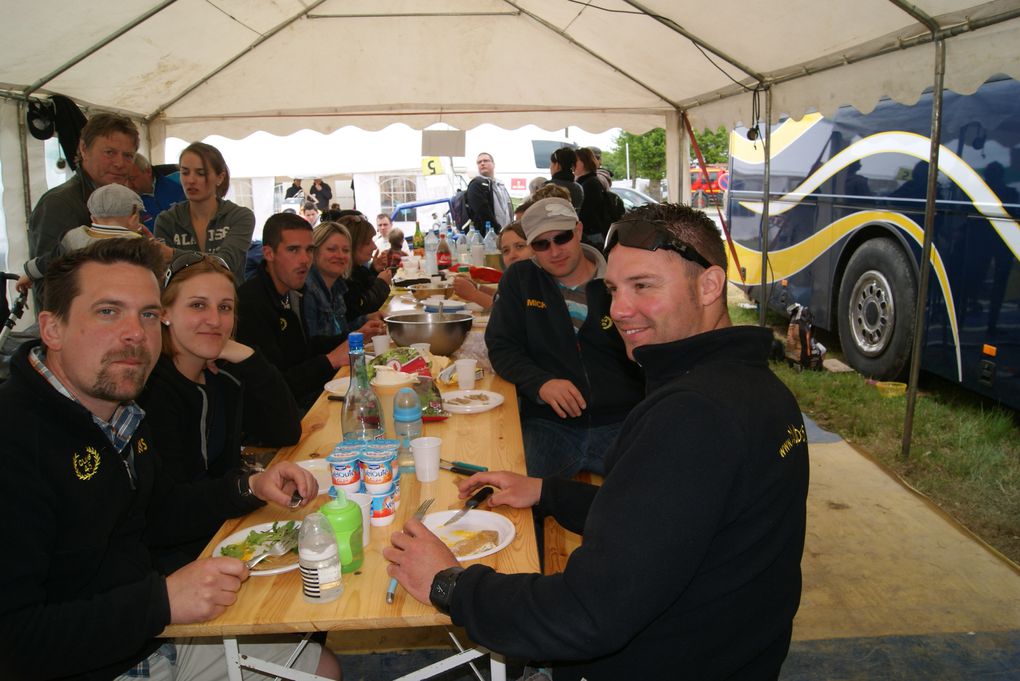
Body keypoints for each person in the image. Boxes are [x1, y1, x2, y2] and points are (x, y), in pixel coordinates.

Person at [385, 203, 810, 681]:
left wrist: (450, 584)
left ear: (710, 286)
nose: (619, 310)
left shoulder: (692, 415)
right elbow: (666, 519)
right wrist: (548, 492)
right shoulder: (762, 390)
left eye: (643, 286)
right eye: (612, 290)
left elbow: (586, 615)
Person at [0, 237, 340, 680]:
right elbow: (13, 641)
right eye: (107, 311)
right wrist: (161, 602)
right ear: (52, 329)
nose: (134, 333)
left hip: (143, 633)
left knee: (319, 665)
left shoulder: (123, 416)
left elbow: (159, 515)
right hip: (90, 661)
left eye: (146, 314)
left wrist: (248, 487)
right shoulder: (15, 441)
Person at [139, 252, 302, 570]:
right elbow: (166, 515)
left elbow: (285, 430)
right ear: (165, 313)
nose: (214, 320)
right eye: (198, 305)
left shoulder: (222, 377)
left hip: (223, 532)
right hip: (178, 562)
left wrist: (248, 356)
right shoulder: (149, 392)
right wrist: (248, 487)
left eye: (225, 308)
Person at [484, 197, 643, 478]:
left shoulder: (621, 279)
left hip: (622, 422)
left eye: (562, 238)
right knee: (513, 498)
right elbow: (501, 346)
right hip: (548, 424)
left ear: (578, 230)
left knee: (654, 500)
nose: (554, 251)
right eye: (541, 244)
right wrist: (540, 382)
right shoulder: (520, 280)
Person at [237, 213, 355, 410]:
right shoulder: (250, 303)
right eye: (293, 250)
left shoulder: (292, 292)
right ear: (269, 253)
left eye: (309, 250)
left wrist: (353, 338)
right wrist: (330, 361)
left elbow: (303, 350)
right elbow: (274, 388)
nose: (304, 260)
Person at [19, 183, 171, 302]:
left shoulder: (73, 238)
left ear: (92, 218)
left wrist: (29, 273)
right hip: (127, 302)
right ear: (133, 217)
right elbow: (160, 275)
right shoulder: (139, 245)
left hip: (83, 301)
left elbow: (48, 261)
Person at [28, 112, 139, 259]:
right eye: (109, 152)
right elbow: (47, 277)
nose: (119, 163)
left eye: (128, 156)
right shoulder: (58, 204)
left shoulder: (124, 200)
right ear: (84, 149)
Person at [154, 142, 255, 284]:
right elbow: (165, 275)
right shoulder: (166, 220)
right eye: (185, 172)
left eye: (201, 173)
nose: (191, 180)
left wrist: (173, 255)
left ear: (220, 177)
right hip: (183, 302)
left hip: (229, 302)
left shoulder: (240, 217)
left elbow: (225, 263)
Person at [302, 220, 386, 342]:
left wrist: (366, 320)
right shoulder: (307, 291)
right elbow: (316, 347)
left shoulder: (337, 286)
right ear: (314, 252)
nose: (340, 255)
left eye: (346, 250)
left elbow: (340, 330)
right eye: (332, 249)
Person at [452, 221, 532, 310]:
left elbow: (510, 313)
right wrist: (478, 287)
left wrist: (473, 294)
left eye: (520, 246)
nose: (512, 255)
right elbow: (504, 297)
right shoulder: (516, 278)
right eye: (506, 251)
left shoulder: (537, 280)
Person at [341, 213, 393, 320]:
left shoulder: (358, 270)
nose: (374, 247)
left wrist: (374, 270)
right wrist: (381, 284)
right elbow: (362, 308)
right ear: (353, 245)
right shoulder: (343, 278)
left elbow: (364, 289)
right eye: (368, 242)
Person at [128, 152, 186, 232]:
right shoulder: (129, 202)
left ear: (148, 171)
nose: (128, 184)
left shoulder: (178, 181)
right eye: (125, 179)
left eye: (132, 179)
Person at [466, 152, 513, 233]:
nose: (482, 163)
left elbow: (508, 208)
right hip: (489, 235)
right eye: (479, 162)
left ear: (493, 164)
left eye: (486, 160)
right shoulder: (476, 184)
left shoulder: (499, 185)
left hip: (505, 232)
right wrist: (497, 230)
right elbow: (482, 212)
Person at [574, 147, 611, 247]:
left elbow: (587, 212)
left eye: (575, 161)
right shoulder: (588, 181)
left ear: (582, 162)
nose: (572, 165)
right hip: (591, 233)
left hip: (592, 234)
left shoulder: (590, 183)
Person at [546, 146, 584, 211]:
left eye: (551, 164)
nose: (550, 167)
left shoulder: (547, 187)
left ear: (557, 165)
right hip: (574, 221)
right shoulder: (578, 188)